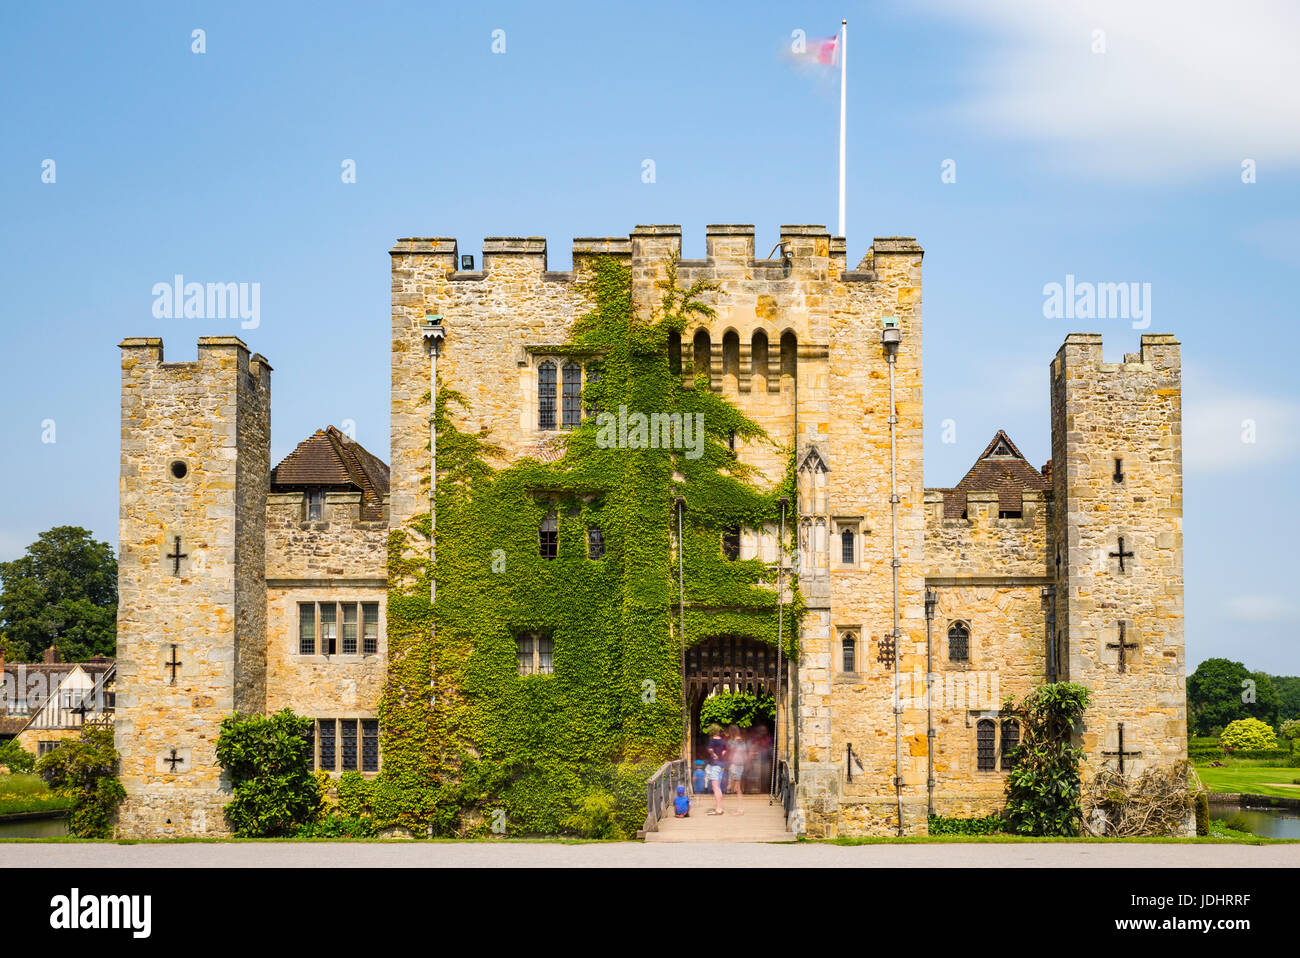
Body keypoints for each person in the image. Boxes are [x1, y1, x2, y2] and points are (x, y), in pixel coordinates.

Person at [705, 723, 727, 815]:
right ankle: (719, 808)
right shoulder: (722, 741)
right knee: (718, 787)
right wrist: (721, 755)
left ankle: (718, 809)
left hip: (714, 765)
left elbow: (710, 749)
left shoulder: (712, 740)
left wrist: (713, 754)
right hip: (721, 766)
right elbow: (725, 751)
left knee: (715, 787)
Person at [726, 724, 747, 814]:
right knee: (736, 788)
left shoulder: (732, 742)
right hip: (740, 764)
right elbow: (744, 754)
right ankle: (739, 808)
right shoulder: (742, 742)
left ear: (732, 732)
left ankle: (740, 809)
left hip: (735, 764)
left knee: (737, 788)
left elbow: (730, 753)